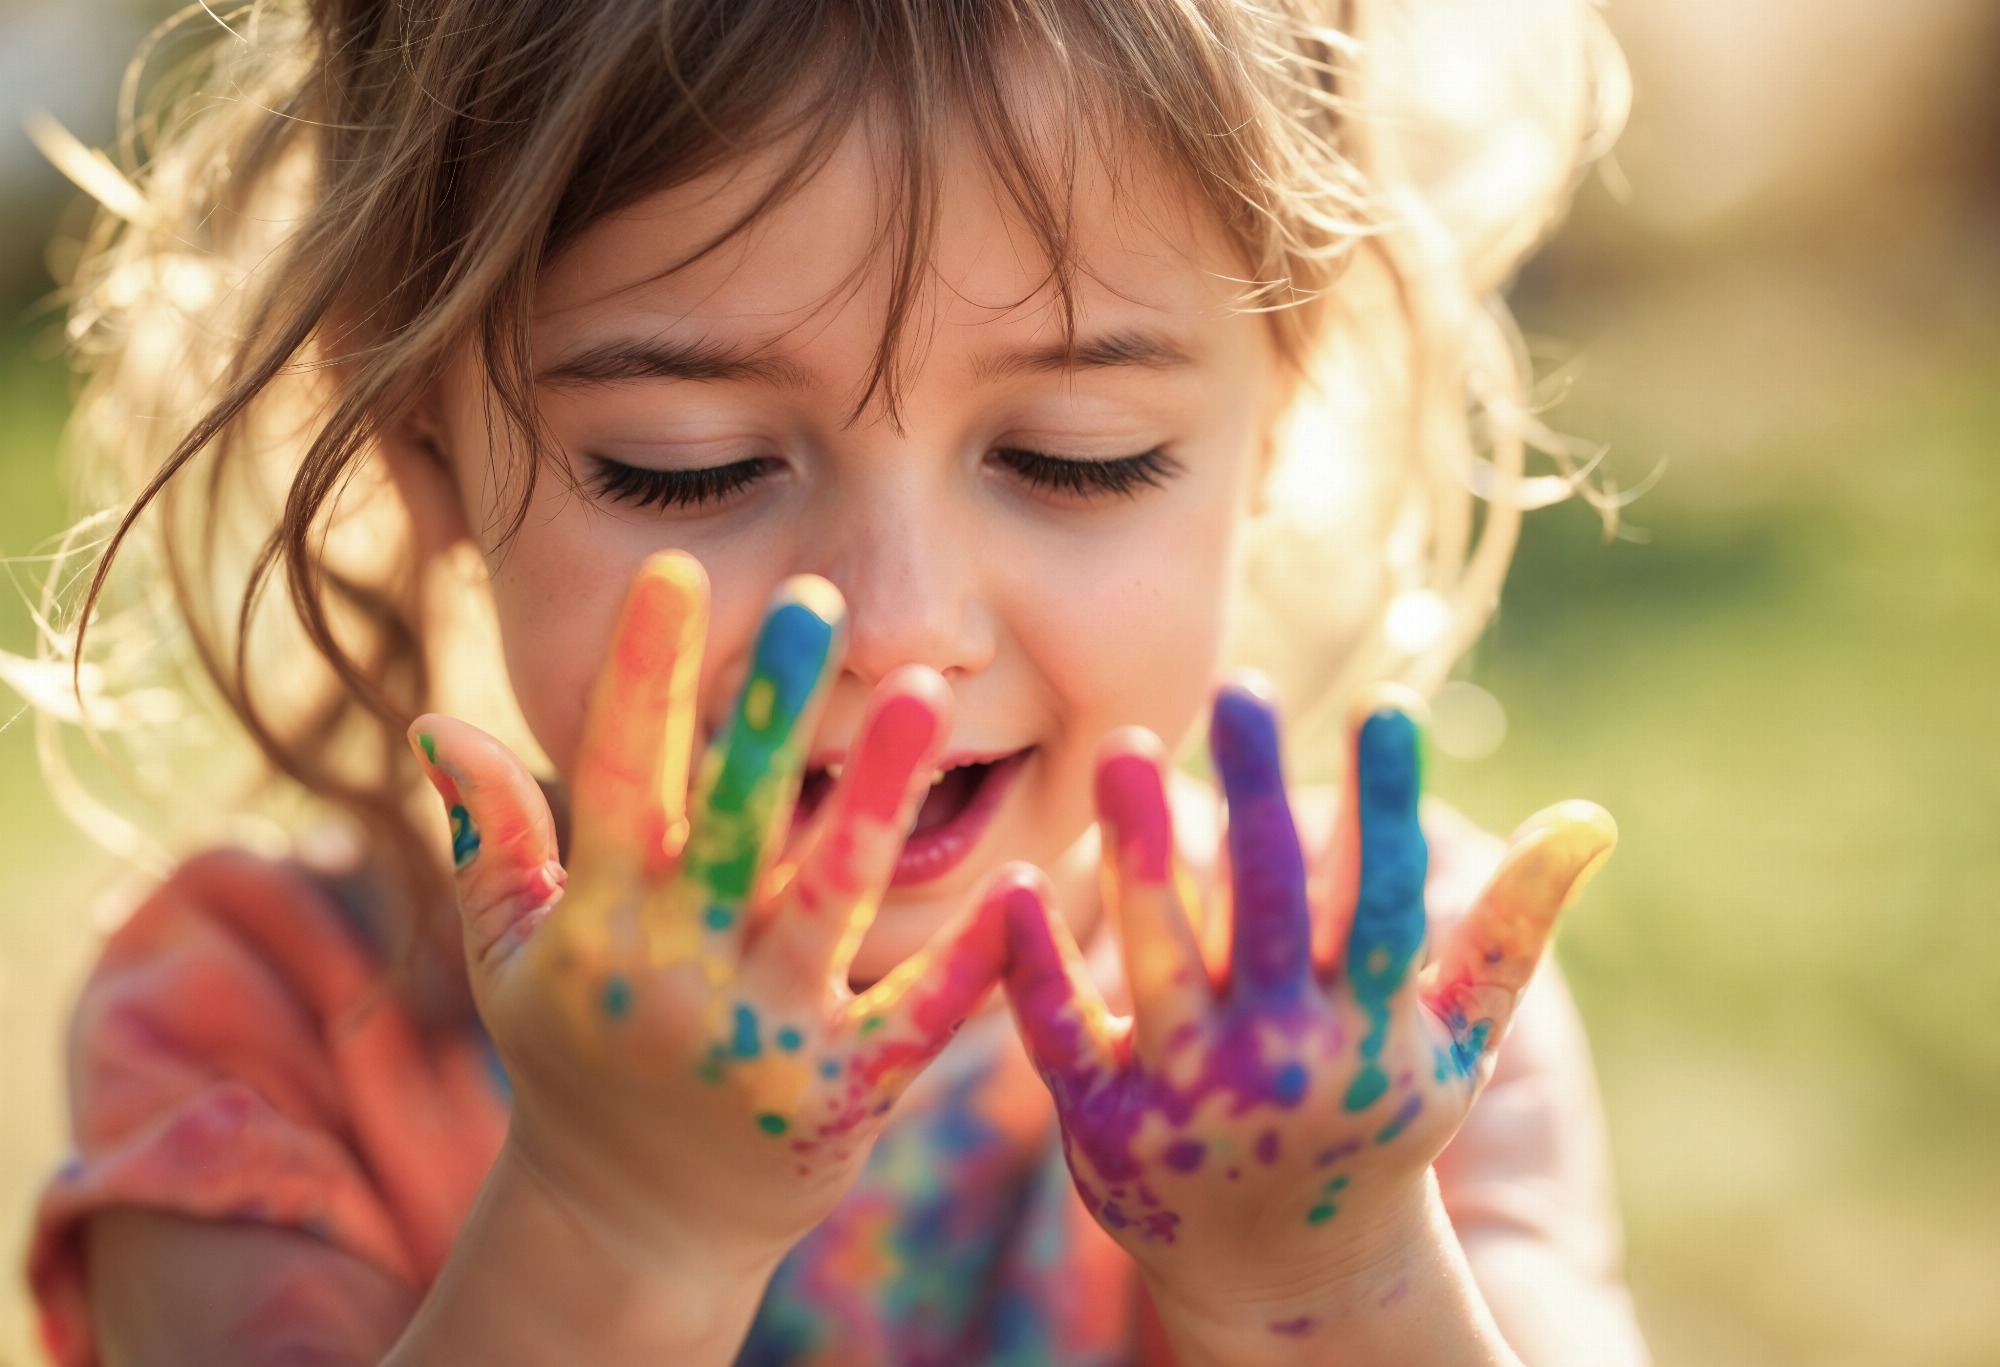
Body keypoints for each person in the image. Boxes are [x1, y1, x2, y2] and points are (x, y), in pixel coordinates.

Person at [18, 0, 1649, 1363]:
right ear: (424, 445)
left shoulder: (1396, 1036)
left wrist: (1334, 1280)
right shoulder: (264, 1027)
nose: (894, 626)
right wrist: (618, 1221)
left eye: (1079, 458)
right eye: (687, 464)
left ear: (1273, 431)